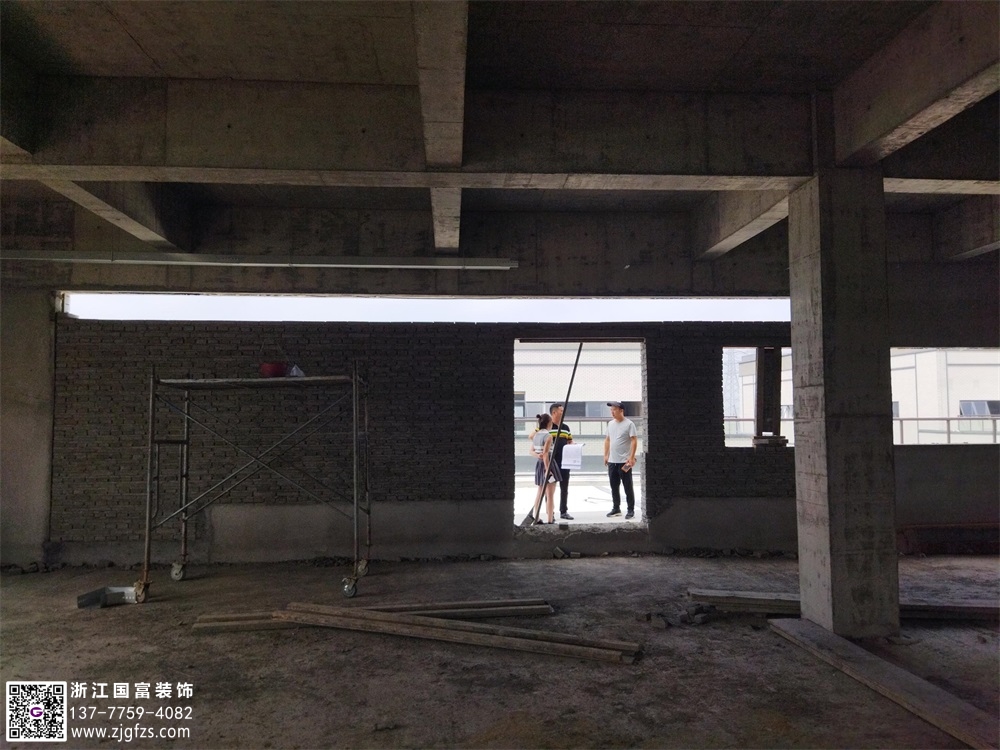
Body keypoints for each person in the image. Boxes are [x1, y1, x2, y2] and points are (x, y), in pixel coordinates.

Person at [603, 401, 638, 519]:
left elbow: (634, 440)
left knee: (627, 486)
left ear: (621, 410)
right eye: (611, 410)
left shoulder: (629, 424)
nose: (612, 412)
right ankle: (616, 508)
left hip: (624, 461)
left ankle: (630, 510)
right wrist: (606, 455)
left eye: (614, 410)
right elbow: (607, 440)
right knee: (614, 486)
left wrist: (631, 457)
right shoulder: (610, 424)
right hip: (612, 461)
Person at [528, 413, 559, 524]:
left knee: (540, 492)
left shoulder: (535, 435)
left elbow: (531, 451)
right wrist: (548, 470)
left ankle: (536, 517)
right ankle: (550, 520)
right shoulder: (548, 436)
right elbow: (546, 454)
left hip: (539, 464)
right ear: (549, 423)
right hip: (548, 463)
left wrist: (538, 455)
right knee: (550, 494)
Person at [548, 403, 574, 520]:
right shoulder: (547, 426)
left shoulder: (565, 427)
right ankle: (550, 513)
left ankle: (564, 511)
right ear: (554, 412)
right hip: (551, 463)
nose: (563, 413)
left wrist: (574, 445)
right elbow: (535, 436)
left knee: (564, 488)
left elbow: (570, 441)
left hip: (565, 462)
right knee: (550, 489)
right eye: (561, 411)